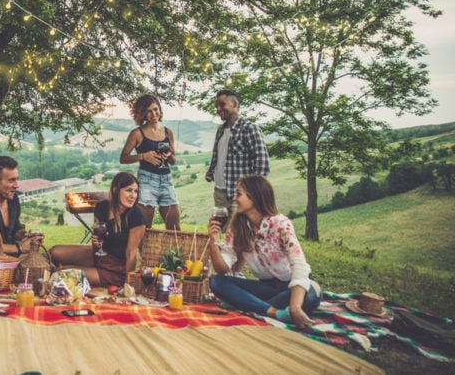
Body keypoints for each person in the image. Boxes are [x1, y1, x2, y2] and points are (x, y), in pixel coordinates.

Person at [208, 175, 321, 327]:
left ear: (254, 196)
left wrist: (294, 307)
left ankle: (245, 303)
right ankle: (273, 312)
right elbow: (222, 269)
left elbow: (299, 265)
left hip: (292, 286)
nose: (234, 198)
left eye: (239, 194)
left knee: (311, 296)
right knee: (216, 282)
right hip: (266, 288)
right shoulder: (237, 227)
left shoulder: (280, 224)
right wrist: (213, 241)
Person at [48, 172, 146, 286]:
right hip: (99, 256)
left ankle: (62, 279)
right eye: (129, 190)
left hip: (116, 268)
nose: (133, 195)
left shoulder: (136, 215)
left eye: (136, 191)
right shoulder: (102, 207)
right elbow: (97, 245)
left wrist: (128, 284)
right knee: (54, 252)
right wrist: (95, 242)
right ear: (115, 190)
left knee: (63, 272)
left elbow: (131, 253)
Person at [205, 89, 270, 223]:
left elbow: (262, 165)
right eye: (216, 106)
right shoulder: (221, 130)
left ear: (234, 104)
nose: (218, 109)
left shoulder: (250, 129)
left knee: (241, 234)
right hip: (220, 192)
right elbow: (218, 157)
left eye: (222, 105)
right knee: (220, 233)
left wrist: (251, 193)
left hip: (240, 195)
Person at [119, 94, 180, 230]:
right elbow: (123, 158)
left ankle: (174, 252)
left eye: (156, 109)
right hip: (146, 181)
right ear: (143, 114)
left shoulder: (167, 132)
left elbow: (173, 161)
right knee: (144, 229)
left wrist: (169, 155)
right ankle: (141, 252)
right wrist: (143, 156)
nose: (153, 114)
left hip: (167, 181)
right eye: (148, 111)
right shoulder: (137, 133)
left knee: (175, 229)